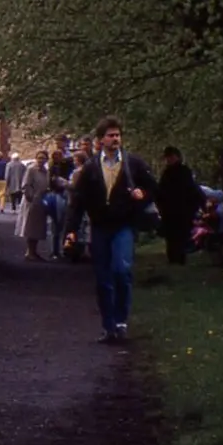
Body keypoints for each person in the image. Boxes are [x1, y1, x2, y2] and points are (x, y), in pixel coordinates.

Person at [64, 116, 157, 343]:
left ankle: (121, 321)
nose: (115, 139)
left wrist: (142, 195)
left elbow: (153, 187)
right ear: (100, 140)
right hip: (100, 227)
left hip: (123, 225)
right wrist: (71, 230)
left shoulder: (133, 163)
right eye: (110, 135)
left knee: (122, 270)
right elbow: (78, 200)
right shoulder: (91, 167)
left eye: (118, 135)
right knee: (103, 277)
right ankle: (109, 326)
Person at [157, 146, 205, 265]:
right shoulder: (166, 173)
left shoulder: (184, 171)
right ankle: (173, 258)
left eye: (172, 157)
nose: (170, 160)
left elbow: (191, 189)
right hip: (169, 210)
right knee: (171, 236)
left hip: (183, 210)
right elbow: (161, 191)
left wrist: (198, 204)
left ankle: (180, 258)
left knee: (182, 235)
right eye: (168, 158)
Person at [14, 151, 51, 260]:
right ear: (35, 158)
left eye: (43, 158)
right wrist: (31, 197)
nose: (41, 160)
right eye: (39, 158)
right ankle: (29, 251)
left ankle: (34, 251)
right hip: (31, 202)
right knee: (30, 227)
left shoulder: (45, 171)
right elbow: (25, 185)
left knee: (38, 228)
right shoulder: (31, 169)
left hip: (41, 202)